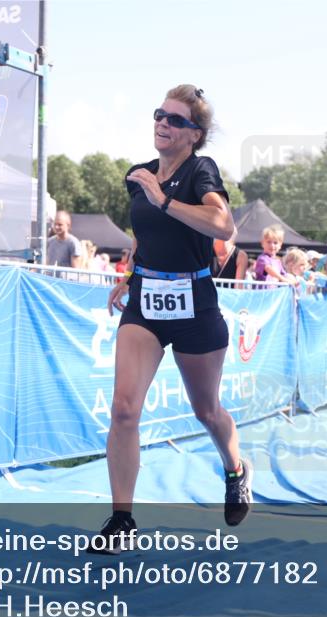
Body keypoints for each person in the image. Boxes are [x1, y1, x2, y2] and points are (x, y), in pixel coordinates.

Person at [98, 84, 251, 553]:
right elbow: (149, 232)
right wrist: (130, 272)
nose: (163, 123)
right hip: (146, 301)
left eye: (176, 120)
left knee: (206, 410)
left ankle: (236, 469)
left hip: (196, 303)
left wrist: (163, 198)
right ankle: (122, 519)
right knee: (124, 409)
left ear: (194, 135)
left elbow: (222, 225)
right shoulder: (138, 175)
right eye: (160, 115)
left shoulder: (200, 171)